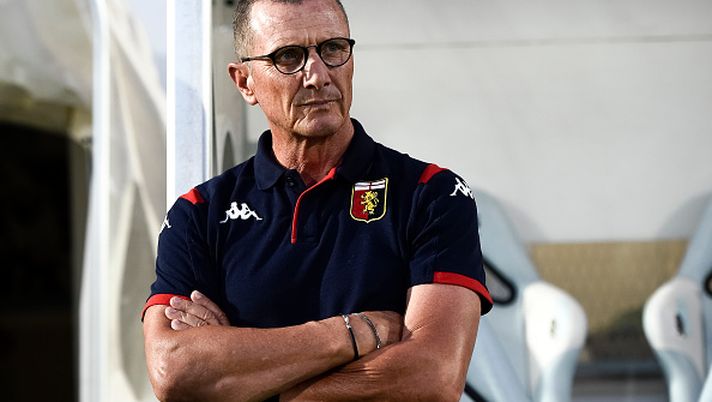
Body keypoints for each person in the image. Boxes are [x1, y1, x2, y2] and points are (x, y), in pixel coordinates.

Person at [142, 0, 493, 400]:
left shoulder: (431, 193)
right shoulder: (198, 214)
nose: (318, 75)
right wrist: (353, 333)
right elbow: (174, 371)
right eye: (288, 57)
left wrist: (248, 378)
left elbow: (431, 376)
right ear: (244, 82)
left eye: (333, 49)